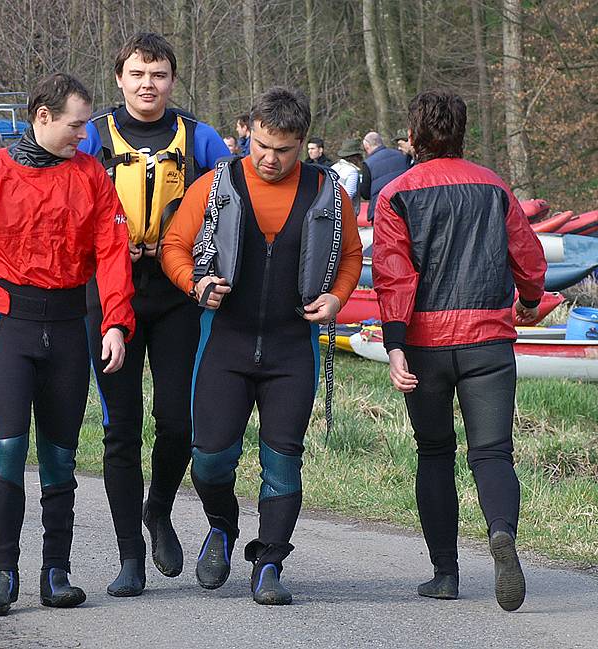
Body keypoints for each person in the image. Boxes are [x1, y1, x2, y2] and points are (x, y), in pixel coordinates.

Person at [0, 72, 135, 616]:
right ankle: (4, 575)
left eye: (87, 125)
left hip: (71, 326)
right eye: (75, 125)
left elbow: (113, 250)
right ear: (42, 117)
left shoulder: (92, 175)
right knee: (9, 449)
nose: (84, 135)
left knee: (60, 458)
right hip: (7, 327)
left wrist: (115, 320)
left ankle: (55, 572)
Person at [162, 86, 363, 605]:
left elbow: (349, 257)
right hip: (224, 345)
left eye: (284, 150)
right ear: (247, 131)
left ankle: (270, 560)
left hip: (292, 350)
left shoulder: (327, 192)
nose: (271, 160)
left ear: (303, 144)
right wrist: (196, 284)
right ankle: (222, 528)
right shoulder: (216, 184)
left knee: (282, 462)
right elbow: (174, 247)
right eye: (262, 146)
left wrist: (338, 298)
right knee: (208, 459)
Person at [372, 89, 546, 612]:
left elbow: (393, 276)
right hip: (489, 341)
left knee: (434, 454)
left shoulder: (395, 193)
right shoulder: (494, 186)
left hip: (425, 344)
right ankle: (500, 532)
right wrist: (532, 300)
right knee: (492, 454)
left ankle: (445, 574)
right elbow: (527, 256)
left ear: (415, 133)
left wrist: (396, 345)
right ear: (462, 131)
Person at [78, 31, 229, 597]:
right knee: (121, 430)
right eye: (138, 74)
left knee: (178, 422)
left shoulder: (201, 138)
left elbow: (236, 194)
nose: (148, 85)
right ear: (119, 78)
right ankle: (130, 558)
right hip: (109, 294)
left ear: (172, 80)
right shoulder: (93, 136)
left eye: (159, 74)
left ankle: (158, 509)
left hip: (175, 292)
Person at [360, 131, 410, 222]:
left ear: (367, 146)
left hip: (380, 210)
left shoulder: (368, 163)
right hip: (402, 206)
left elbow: (365, 193)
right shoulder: (402, 156)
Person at [331, 138, 363, 215]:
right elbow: (349, 195)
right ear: (356, 157)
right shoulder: (352, 172)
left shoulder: (334, 167)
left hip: (333, 210)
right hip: (347, 214)